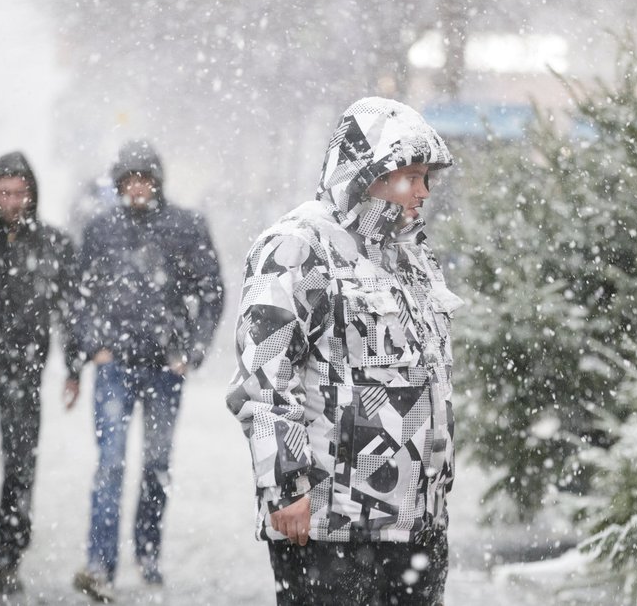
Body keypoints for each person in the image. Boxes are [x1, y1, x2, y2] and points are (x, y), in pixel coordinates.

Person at [227, 97, 464, 605]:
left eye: (427, 179)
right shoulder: (296, 247)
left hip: (414, 527)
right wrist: (286, 489)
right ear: (364, 173)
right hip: (331, 528)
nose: (423, 192)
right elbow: (265, 380)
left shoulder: (411, 257)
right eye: (412, 176)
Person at [72, 140, 224, 602]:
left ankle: (148, 551)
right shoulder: (101, 229)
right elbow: (79, 293)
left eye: (145, 178)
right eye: (130, 178)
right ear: (119, 183)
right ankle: (100, 564)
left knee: (156, 464)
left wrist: (192, 351)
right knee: (112, 464)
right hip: (115, 365)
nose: (137, 186)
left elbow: (212, 290)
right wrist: (91, 345)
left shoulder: (185, 225)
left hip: (164, 366)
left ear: (157, 181)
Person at [0, 151, 83, 594]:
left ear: (32, 194)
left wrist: (73, 368)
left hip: (25, 372)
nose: (12, 201)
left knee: (20, 468)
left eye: (20, 193)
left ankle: (9, 557)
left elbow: (70, 312)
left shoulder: (52, 244)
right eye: (4, 192)